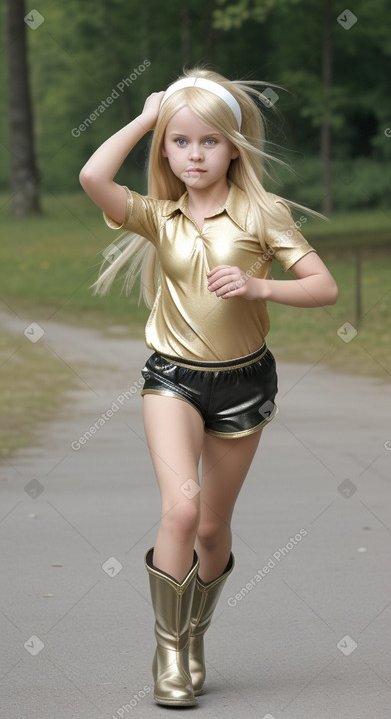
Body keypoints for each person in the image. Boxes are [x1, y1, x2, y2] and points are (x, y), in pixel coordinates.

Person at [79, 67, 338, 707]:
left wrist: (260, 286)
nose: (195, 155)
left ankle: (194, 635)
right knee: (182, 509)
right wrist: (146, 117)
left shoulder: (262, 212)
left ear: (233, 145)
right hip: (171, 380)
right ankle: (168, 655)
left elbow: (323, 287)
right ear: (165, 149)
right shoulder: (158, 216)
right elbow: (92, 178)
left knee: (213, 530)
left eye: (209, 142)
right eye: (180, 142)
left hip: (243, 386)